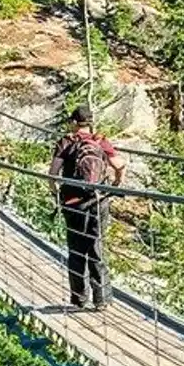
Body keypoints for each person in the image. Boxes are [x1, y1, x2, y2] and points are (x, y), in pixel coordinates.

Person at [49, 105, 124, 310]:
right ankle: (102, 300)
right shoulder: (100, 141)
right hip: (98, 201)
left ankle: (79, 298)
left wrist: (55, 194)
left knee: (76, 251)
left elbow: (53, 174)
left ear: (74, 122)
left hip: (73, 203)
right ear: (89, 123)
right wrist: (116, 184)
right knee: (96, 246)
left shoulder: (66, 142)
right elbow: (119, 164)